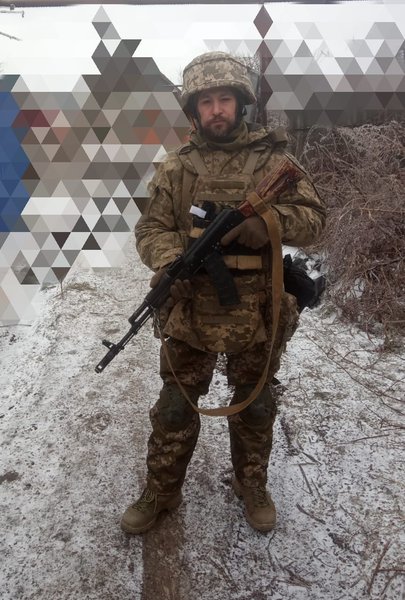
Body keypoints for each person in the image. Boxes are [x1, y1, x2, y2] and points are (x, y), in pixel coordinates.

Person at [121, 51, 326, 534]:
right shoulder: (177, 167)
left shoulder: (274, 161)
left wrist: (269, 223)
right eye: (206, 101)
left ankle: (250, 483)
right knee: (175, 406)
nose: (216, 109)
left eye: (224, 99)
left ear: (240, 103)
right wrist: (170, 260)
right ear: (194, 109)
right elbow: (150, 229)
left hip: (258, 308)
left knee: (255, 403)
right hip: (191, 306)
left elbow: (315, 220)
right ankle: (162, 490)